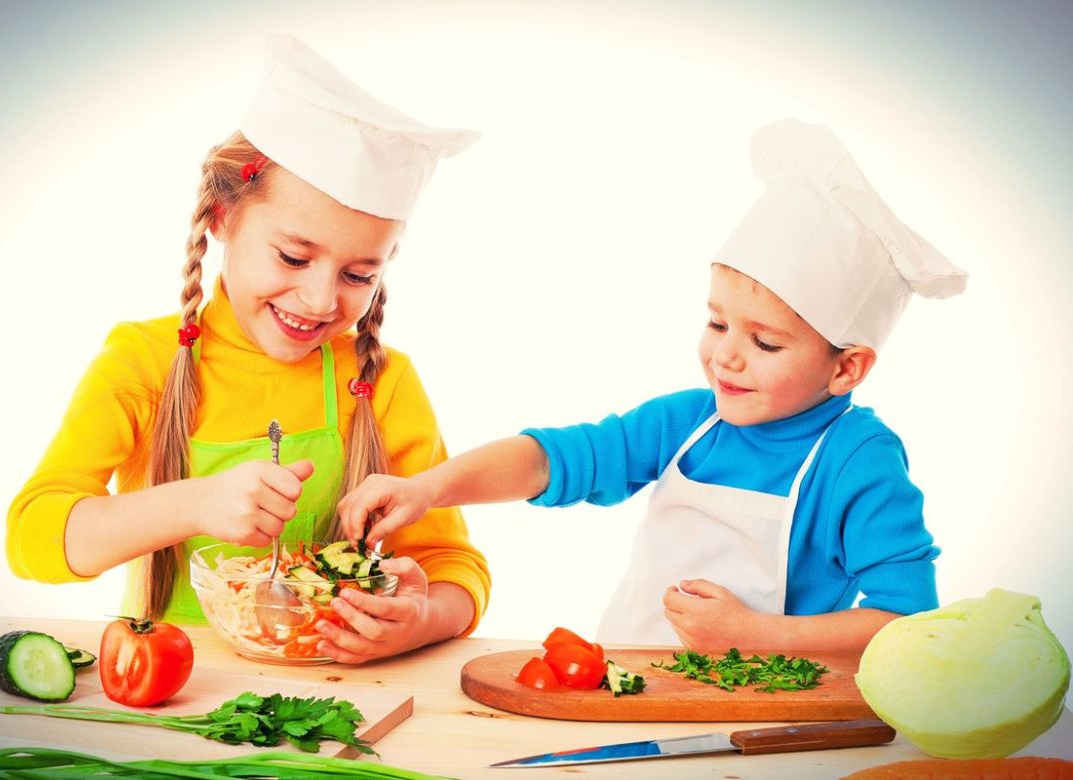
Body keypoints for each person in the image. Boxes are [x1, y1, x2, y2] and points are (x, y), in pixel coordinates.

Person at [340, 119, 967, 653]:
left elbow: (904, 620)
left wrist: (752, 633)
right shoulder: (689, 422)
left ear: (846, 367)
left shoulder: (859, 461)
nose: (726, 357)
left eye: (765, 342)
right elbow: (553, 459)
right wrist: (428, 488)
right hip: (631, 687)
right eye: (717, 322)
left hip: (767, 716)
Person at [7, 35, 490, 664]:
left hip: (331, 692)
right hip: (169, 691)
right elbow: (32, 540)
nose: (320, 300)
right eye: (293, 256)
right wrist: (193, 503)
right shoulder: (143, 360)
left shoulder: (384, 380)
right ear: (221, 218)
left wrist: (420, 618)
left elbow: (454, 566)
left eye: (358, 275)